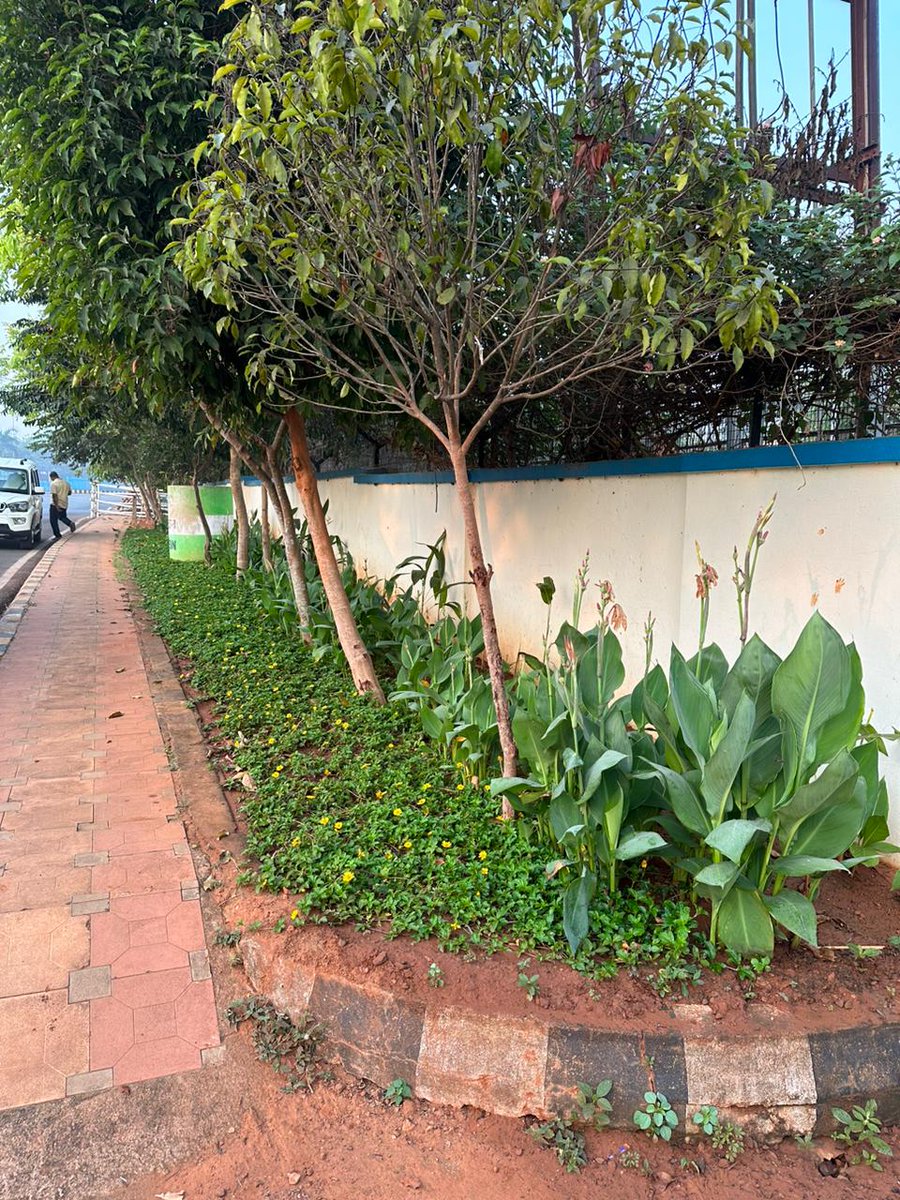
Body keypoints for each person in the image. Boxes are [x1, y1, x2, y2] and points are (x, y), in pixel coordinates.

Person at [48, 471, 76, 539]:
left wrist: (56, 506)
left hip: (55, 505)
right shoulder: (66, 483)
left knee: (53, 520)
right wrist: (63, 494)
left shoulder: (53, 484)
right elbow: (69, 493)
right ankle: (70, 523)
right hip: (64, 503)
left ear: (52, 477)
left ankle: (57, 535)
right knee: (62, 517)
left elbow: (54, 496)